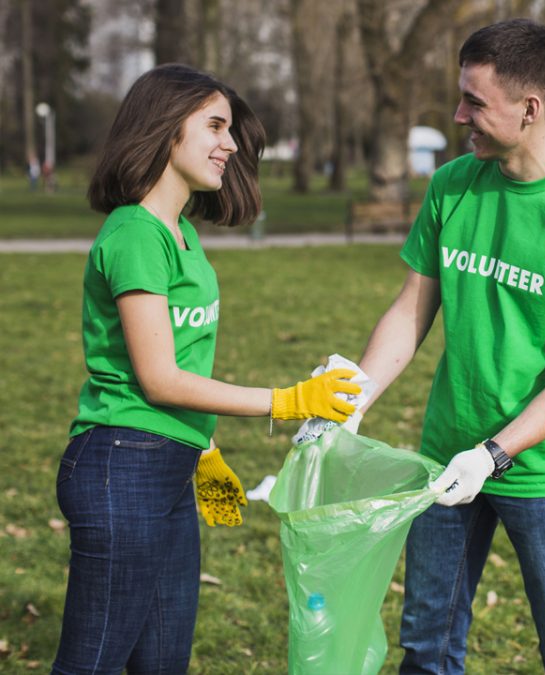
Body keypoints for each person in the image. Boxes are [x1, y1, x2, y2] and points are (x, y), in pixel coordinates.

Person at [52, 64, 359, 674]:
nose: (231, 144)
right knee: (91, 665)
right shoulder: (136, 234)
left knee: (163, 661)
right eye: (215, 127)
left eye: (231, 130)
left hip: (165, 468)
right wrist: (288, 400)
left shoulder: (183, 235)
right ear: (166, 129)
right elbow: (159, 378)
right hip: (121, 466)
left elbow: (184, 360)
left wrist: (204, 447)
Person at [355, 19, 545, 673]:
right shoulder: (452, 185)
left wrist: (493, 454)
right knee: (427, 647)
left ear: (529, 109)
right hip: (445, 456)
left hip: (540, 471)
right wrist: (354, 395)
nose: (458, 116)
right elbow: (411, 309)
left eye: (474, 102)